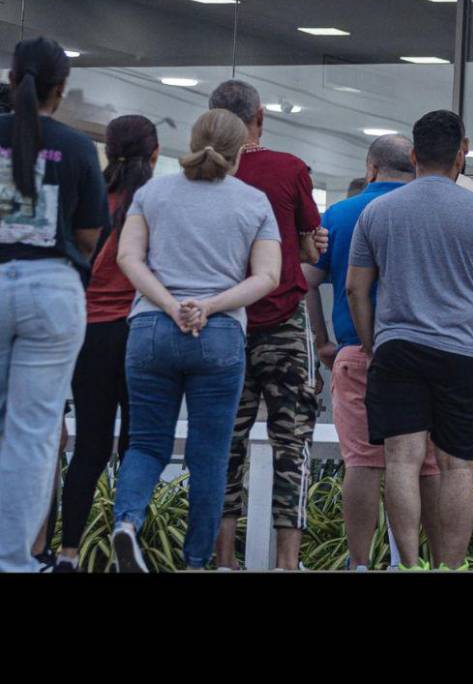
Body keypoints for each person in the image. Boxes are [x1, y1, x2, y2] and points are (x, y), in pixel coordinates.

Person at [347, 110, 473, 569]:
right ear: (462, 152)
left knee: (402, 461)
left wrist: (372, 342)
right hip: (464, 353)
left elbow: (355, 288)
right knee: (457, 466)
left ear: (413, 155)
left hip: (398, 349)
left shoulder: (378, 211)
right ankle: (451, 565)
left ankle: (409, 565)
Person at [110, 109, 282, 572]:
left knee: (146, 443)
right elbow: (268, 276)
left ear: (191, 140)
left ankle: (126, 523)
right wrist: (208, 305)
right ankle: (196, 560)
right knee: (210, 453)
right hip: (219, 335)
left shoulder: (153, 192)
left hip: (151, 330)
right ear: (241, 149)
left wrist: (170, 304)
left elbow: (129, 257)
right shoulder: (253, 202)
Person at [303, 134, 443, 570]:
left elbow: (307, 280)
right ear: (415, 164)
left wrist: (322, 339)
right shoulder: (432, 212)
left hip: (359, 353)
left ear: (370, 169)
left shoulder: (339, 215)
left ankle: (360, 563)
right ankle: (434, 562)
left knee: (362, 463)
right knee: (429, 465)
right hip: (427, 354)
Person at [207, 79, 325, 571]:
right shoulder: (290, 169)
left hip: (224, 324)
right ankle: (286, 564)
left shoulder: (204, 176)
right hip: (283, 323)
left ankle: (224, 560)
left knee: (223, 447)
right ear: (260, 117)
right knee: (291, 444)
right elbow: (307, 247)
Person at [0, 38, 106, 573]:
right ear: (60, 90)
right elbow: (89, 235)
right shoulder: (79, 148)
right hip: (53, 289)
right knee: (33, 432)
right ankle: (14, 560)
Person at [56, 116, 159, 572]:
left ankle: (68, 551)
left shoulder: (85, 196)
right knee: (136, 445)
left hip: (88, 334)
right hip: (138, 331)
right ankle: (128, 535)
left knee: (89, 448)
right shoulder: (155, 202)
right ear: (154, 153)